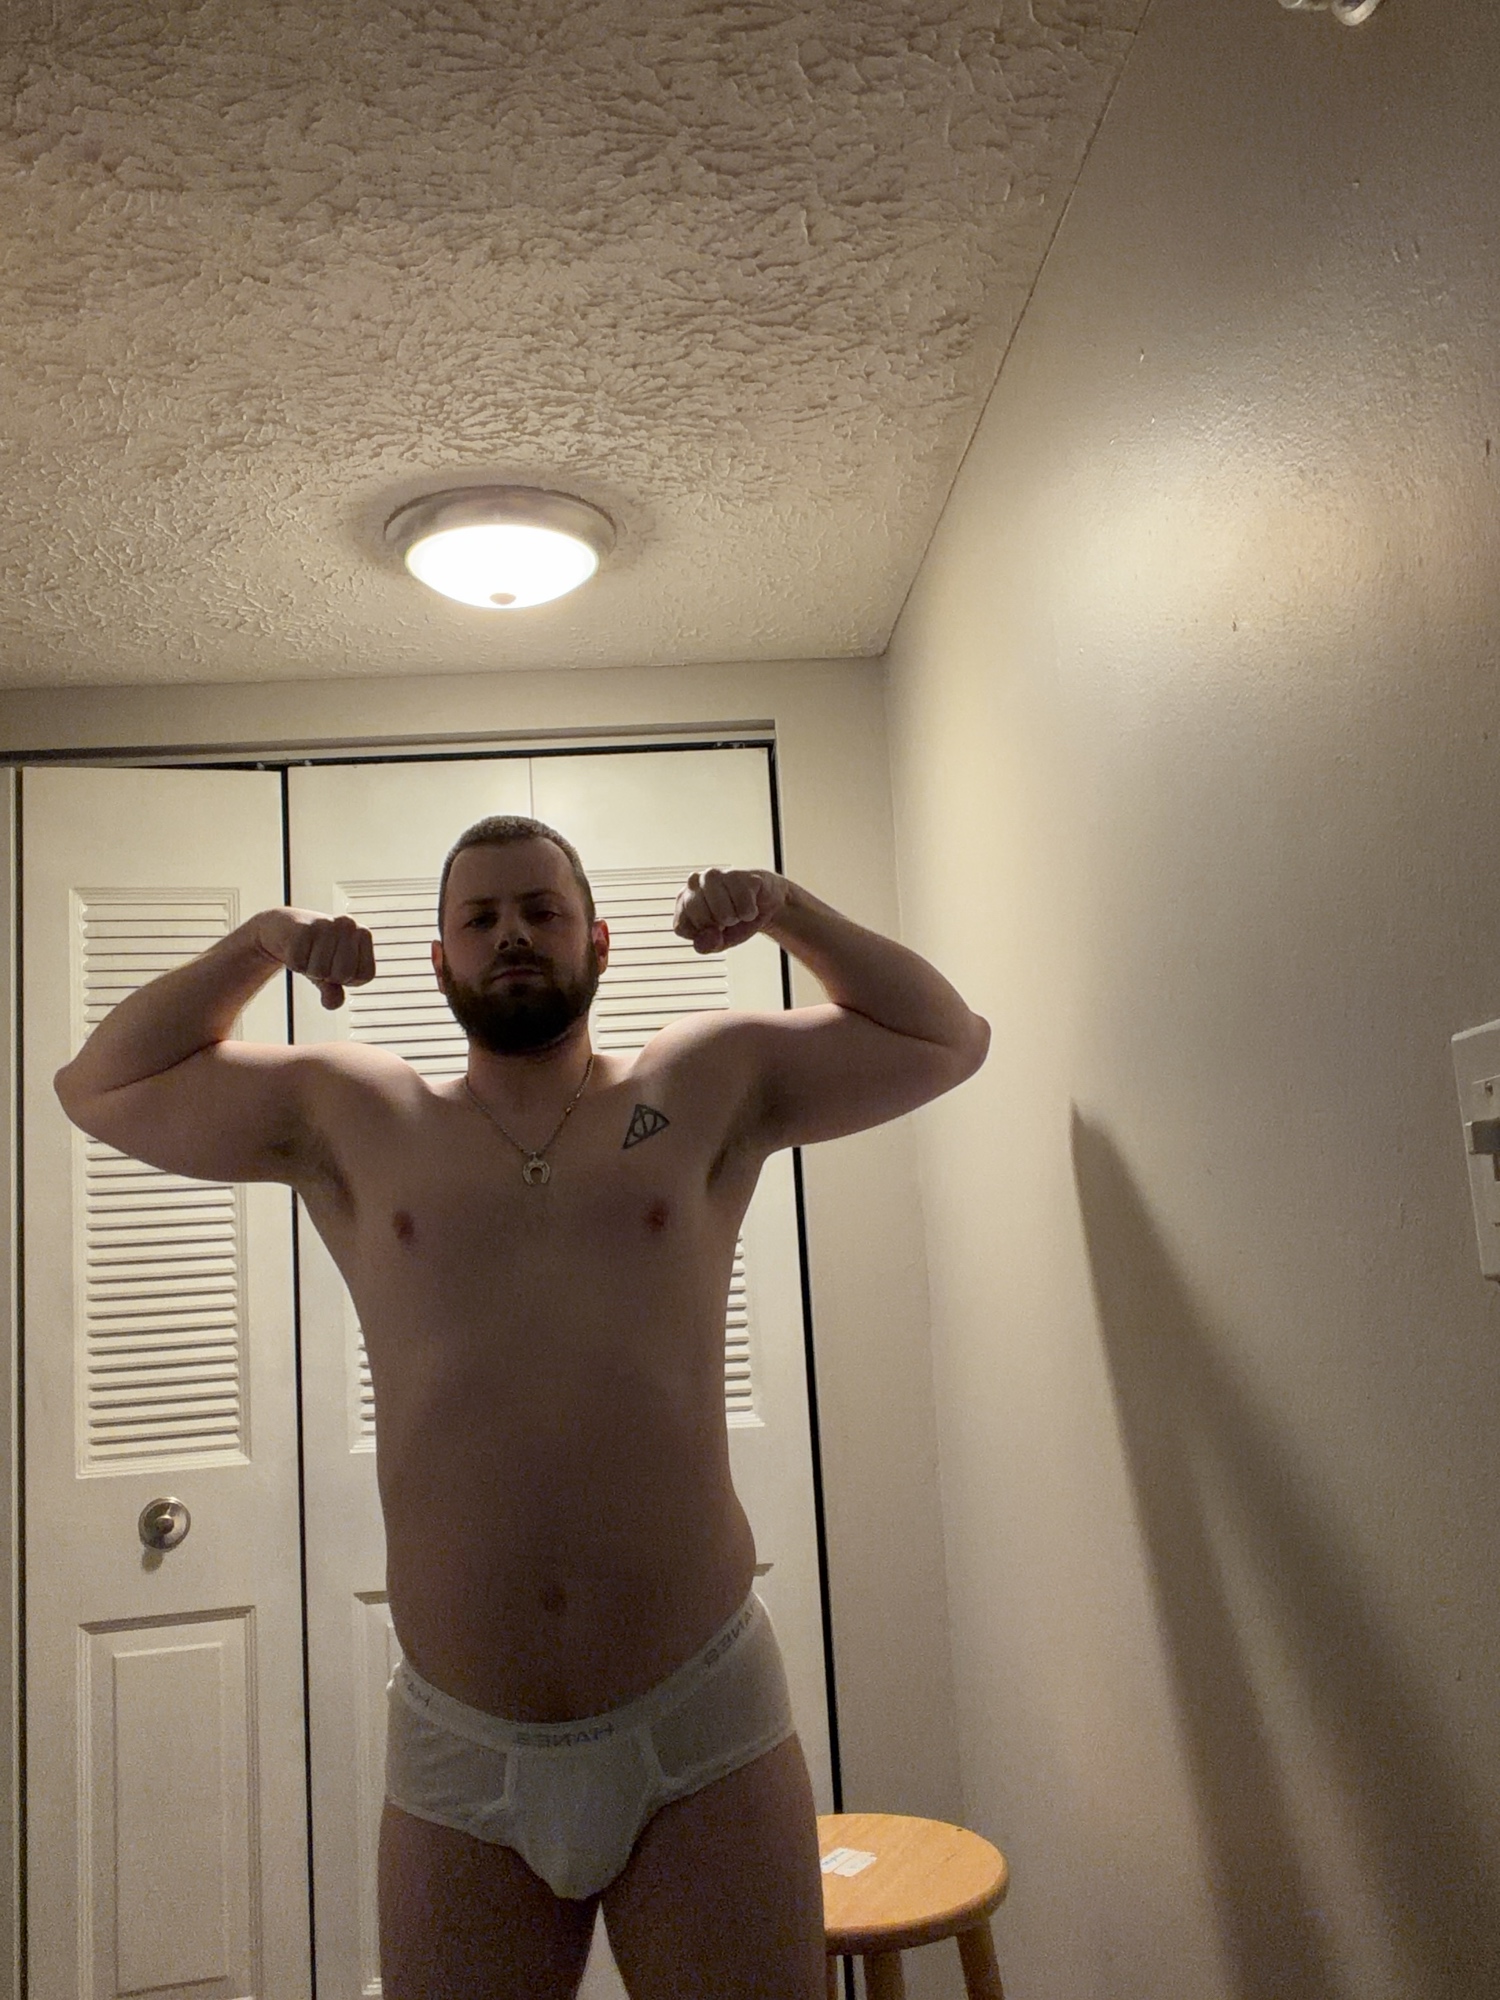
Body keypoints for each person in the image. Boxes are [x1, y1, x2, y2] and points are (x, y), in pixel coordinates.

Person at [53, 813, 990, 2000]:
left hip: (700, 1719)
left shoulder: (698, 1083)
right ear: (440, 955)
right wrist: (263, 941)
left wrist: (787, 909)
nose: (512, 934)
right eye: (481, 916)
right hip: (464, 1748)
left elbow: (946, 1036)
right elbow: (101, 1084)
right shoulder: (359, 1114)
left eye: (542, 910)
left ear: (597, 940)